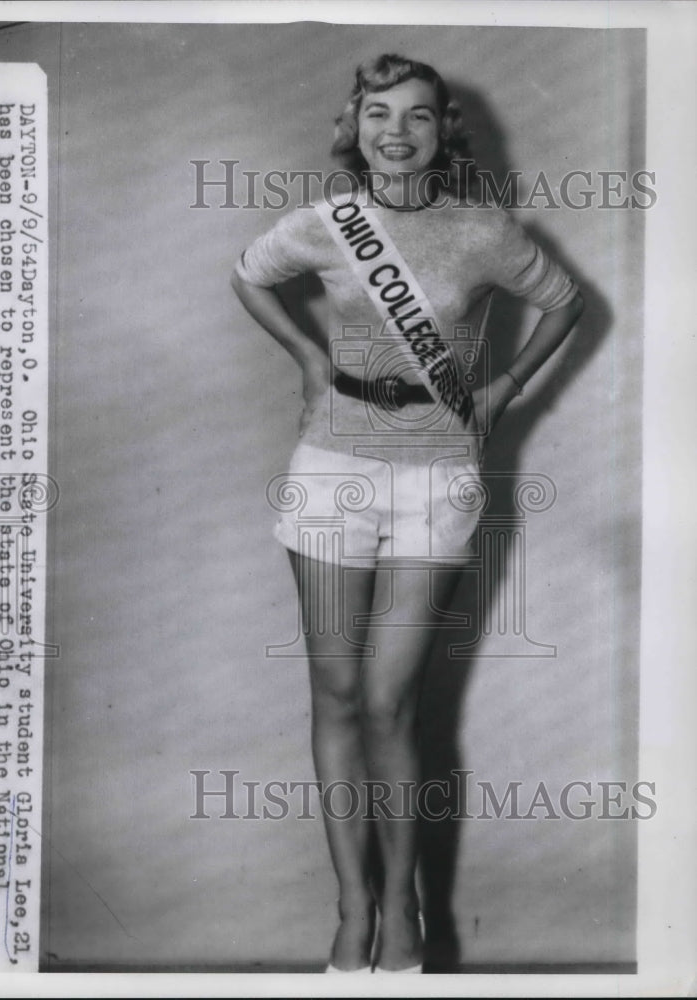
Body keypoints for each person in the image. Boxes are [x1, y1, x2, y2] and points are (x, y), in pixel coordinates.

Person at [231, 53, 583, 974]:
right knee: (337, 695)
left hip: (437, 476)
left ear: (441, 133)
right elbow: (250, 275)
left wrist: (503, 388)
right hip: (331, 466)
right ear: (355, 128)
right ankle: (353, 910)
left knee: (390, 704)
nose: (397, 132)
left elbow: (563, 300)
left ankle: (405, 909)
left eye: (418, 116)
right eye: (379, 114)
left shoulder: (483, 231)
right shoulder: (326, 223)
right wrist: (310, 363)